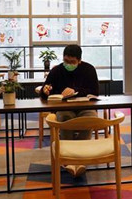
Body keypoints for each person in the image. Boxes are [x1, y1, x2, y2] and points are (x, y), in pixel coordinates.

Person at [40, 44, 99, 177]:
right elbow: (45, 91)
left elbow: (95, 91)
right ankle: (68, 159)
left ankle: (80, 157)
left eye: (72, 62)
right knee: (64, 118)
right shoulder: (57, 71)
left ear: (79, 60)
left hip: (84, 107)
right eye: (66, 61)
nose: (68, 64)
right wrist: (45, 91)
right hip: (64, 107)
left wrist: (76, 91)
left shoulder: (89, 69)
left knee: (89, 119)